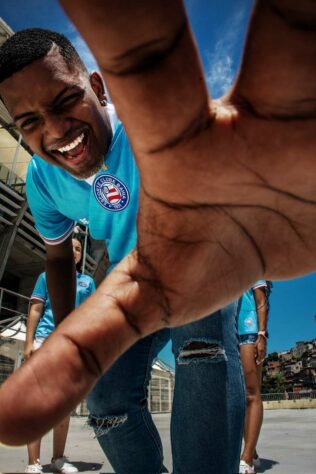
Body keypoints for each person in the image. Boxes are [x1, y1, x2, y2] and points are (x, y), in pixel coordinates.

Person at [0, 0, 315, 467]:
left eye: (65, 101)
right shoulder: (45, 182)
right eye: (30, 123)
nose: (56, 131)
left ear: (97, 88)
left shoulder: (151, 136)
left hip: (200, 256)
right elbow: (58, 255)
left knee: (202, 353)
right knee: (106, 403)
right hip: (127, 280)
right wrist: (67, 331)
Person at [24, 238, 95, 474]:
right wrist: (28, 343)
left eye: (78, 249)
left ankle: (58, 459)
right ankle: (33, 462)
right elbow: (35, 308)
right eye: (70, 247)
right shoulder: (46, 277)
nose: (73, 251)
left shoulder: (88, 282)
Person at [237, 281, 272, 474]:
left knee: (251, 393)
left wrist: (261, 335)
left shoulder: (255, 261)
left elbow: (261, 301)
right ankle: (254, 450)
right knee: (238, 398)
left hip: (249, 334)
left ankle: (247, 458)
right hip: (229, 336)